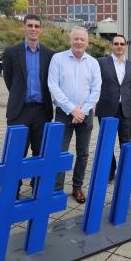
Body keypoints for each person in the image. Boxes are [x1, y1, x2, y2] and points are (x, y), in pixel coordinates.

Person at [3, 14, 55, 198]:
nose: (33, 29)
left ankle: (37, 185)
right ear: (24, 27)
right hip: (19, 111)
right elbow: (9, 80)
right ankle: (13, 189)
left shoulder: (50, 55)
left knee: (40, 152)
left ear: (41, 29)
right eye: (30, 25)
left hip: (42, 111)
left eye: (37, 26)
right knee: (16, 153)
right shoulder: (11, 52)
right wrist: (19, 97)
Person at [48, 26, 101, 204]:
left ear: (87, 42)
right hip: (64, 114)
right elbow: (53, 85)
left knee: (83, 153)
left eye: (82, 39)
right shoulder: (58, 59)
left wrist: (82, 111)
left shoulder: (93, 63)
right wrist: (72, 109)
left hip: (85, 114)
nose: (79, 42)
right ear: (71, 40)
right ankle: (56, 189)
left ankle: (77, 187)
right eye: (76, 38)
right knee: (60, 152)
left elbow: (96, 90)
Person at [95, 34, 131, 187]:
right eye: (116, 43)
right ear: (112, 46)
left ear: (126, 46)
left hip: (125, 110)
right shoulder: (101, 63)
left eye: (122, 43)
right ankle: (110, 170)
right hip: (106, 110)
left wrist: (123, 99)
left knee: (126, 143)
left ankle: (129, 173)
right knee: (107, 143)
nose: (119, 46)